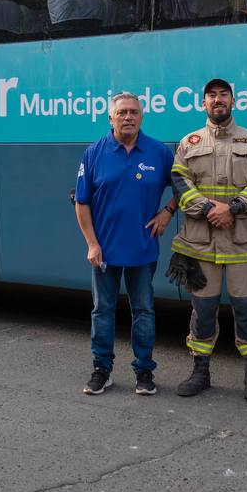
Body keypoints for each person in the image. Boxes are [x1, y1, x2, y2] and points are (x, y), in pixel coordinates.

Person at [167, 79, 247, 401]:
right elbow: (179, 183)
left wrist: (234, 208)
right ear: (203, 103)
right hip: (201, 243)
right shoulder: (188, 142)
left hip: (240, 243)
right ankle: (201, 371)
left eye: (222, 95)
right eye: (211, 96)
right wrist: (213, 209)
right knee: (204, 309)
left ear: (232, 100)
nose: (217, 100)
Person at [75, 92, 177, 396]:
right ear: (111, 118)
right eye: (122, 113)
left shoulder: (158, 152)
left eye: (133, 112)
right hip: (104, 251)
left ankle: (144, 372)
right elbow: (82, 203)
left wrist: (167, 212)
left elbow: (186, 187)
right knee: (102, 310)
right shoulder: (94, 152)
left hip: (143, 250)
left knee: (143, 311)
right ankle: (101, 369)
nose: (128, 117)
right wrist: (92, 244)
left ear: (142, 117)